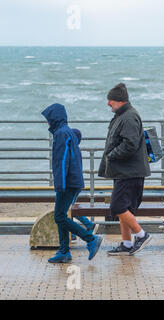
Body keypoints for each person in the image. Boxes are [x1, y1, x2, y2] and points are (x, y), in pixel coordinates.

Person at [41, 103, 103, 263]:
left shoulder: (61, 134)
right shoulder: (66, 132)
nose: (47, 122)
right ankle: (64, 251)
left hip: (67, 182)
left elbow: (62, 161)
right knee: (62, 214)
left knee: (60, 217)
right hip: (73, 181)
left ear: (54, 118)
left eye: (48, 119)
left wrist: (60, 183)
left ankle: (90, 239)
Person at [98, 83, 151, 256]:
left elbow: (130, 144)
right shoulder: (124, 115)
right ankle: (127, 243)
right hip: (125, 171)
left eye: (110, 100)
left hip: (130, 172)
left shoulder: (129, 117)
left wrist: (112, 155)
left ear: (119, 101)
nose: (108, 104)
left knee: (118, 206)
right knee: (124, 208)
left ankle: (141, 235)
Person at [70, 128, 99, 241]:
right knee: (69, 208)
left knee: (68, 209)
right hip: (77, 183)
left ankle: (88, 224)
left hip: (73, 184)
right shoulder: (75, 150)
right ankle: (72, 233)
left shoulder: (72, 150)